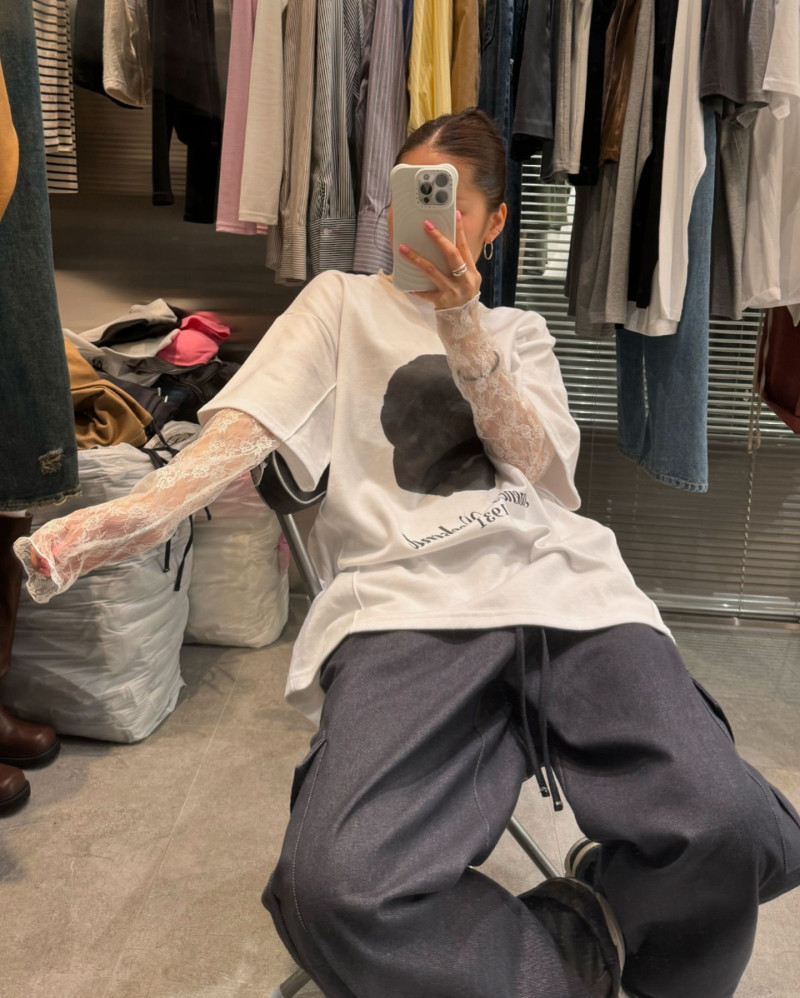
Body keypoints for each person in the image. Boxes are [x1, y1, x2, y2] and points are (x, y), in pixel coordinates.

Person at [14, 109, 800, 998]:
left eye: (448, 205)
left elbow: (540, 470)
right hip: (403, 608)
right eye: (405, 196)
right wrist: (128, 518)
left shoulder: (520, 333)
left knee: (733, 829)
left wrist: (464, 326)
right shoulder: (340, 305)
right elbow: (244, 428)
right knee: (335, 893)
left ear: (495, 223)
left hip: (569, 595)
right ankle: (585, 944)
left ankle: (629, 926)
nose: (416, 223)